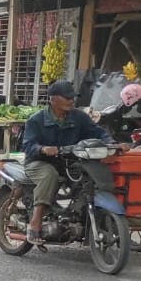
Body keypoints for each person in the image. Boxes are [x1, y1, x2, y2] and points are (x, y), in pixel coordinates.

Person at [22, 80, 113, 245]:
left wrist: (112, 143)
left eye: (73, 97)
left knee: (90, 175)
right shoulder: (36, 120)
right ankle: (35, 222)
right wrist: (43, 149)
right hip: (39, 162)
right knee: (49, 175)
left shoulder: (79, 117)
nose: (72, 101)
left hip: (68, 162)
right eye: (67, 97)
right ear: (54, 99)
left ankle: (80, 215)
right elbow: (28, 145)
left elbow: (98, 133)